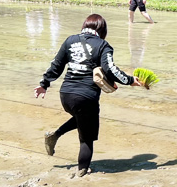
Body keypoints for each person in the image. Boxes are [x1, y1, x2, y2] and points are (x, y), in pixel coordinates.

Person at [35, 13, 144, 176]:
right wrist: (130, 80)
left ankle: (55, 135)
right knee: (86, 138)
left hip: (65, 95)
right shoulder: (103, 45)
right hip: (86, 96)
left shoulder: (70, 40)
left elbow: (56, 65)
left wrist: (44, 84)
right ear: (102, 29)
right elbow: (110, 69)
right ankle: (82, 172)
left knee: (81, 118)